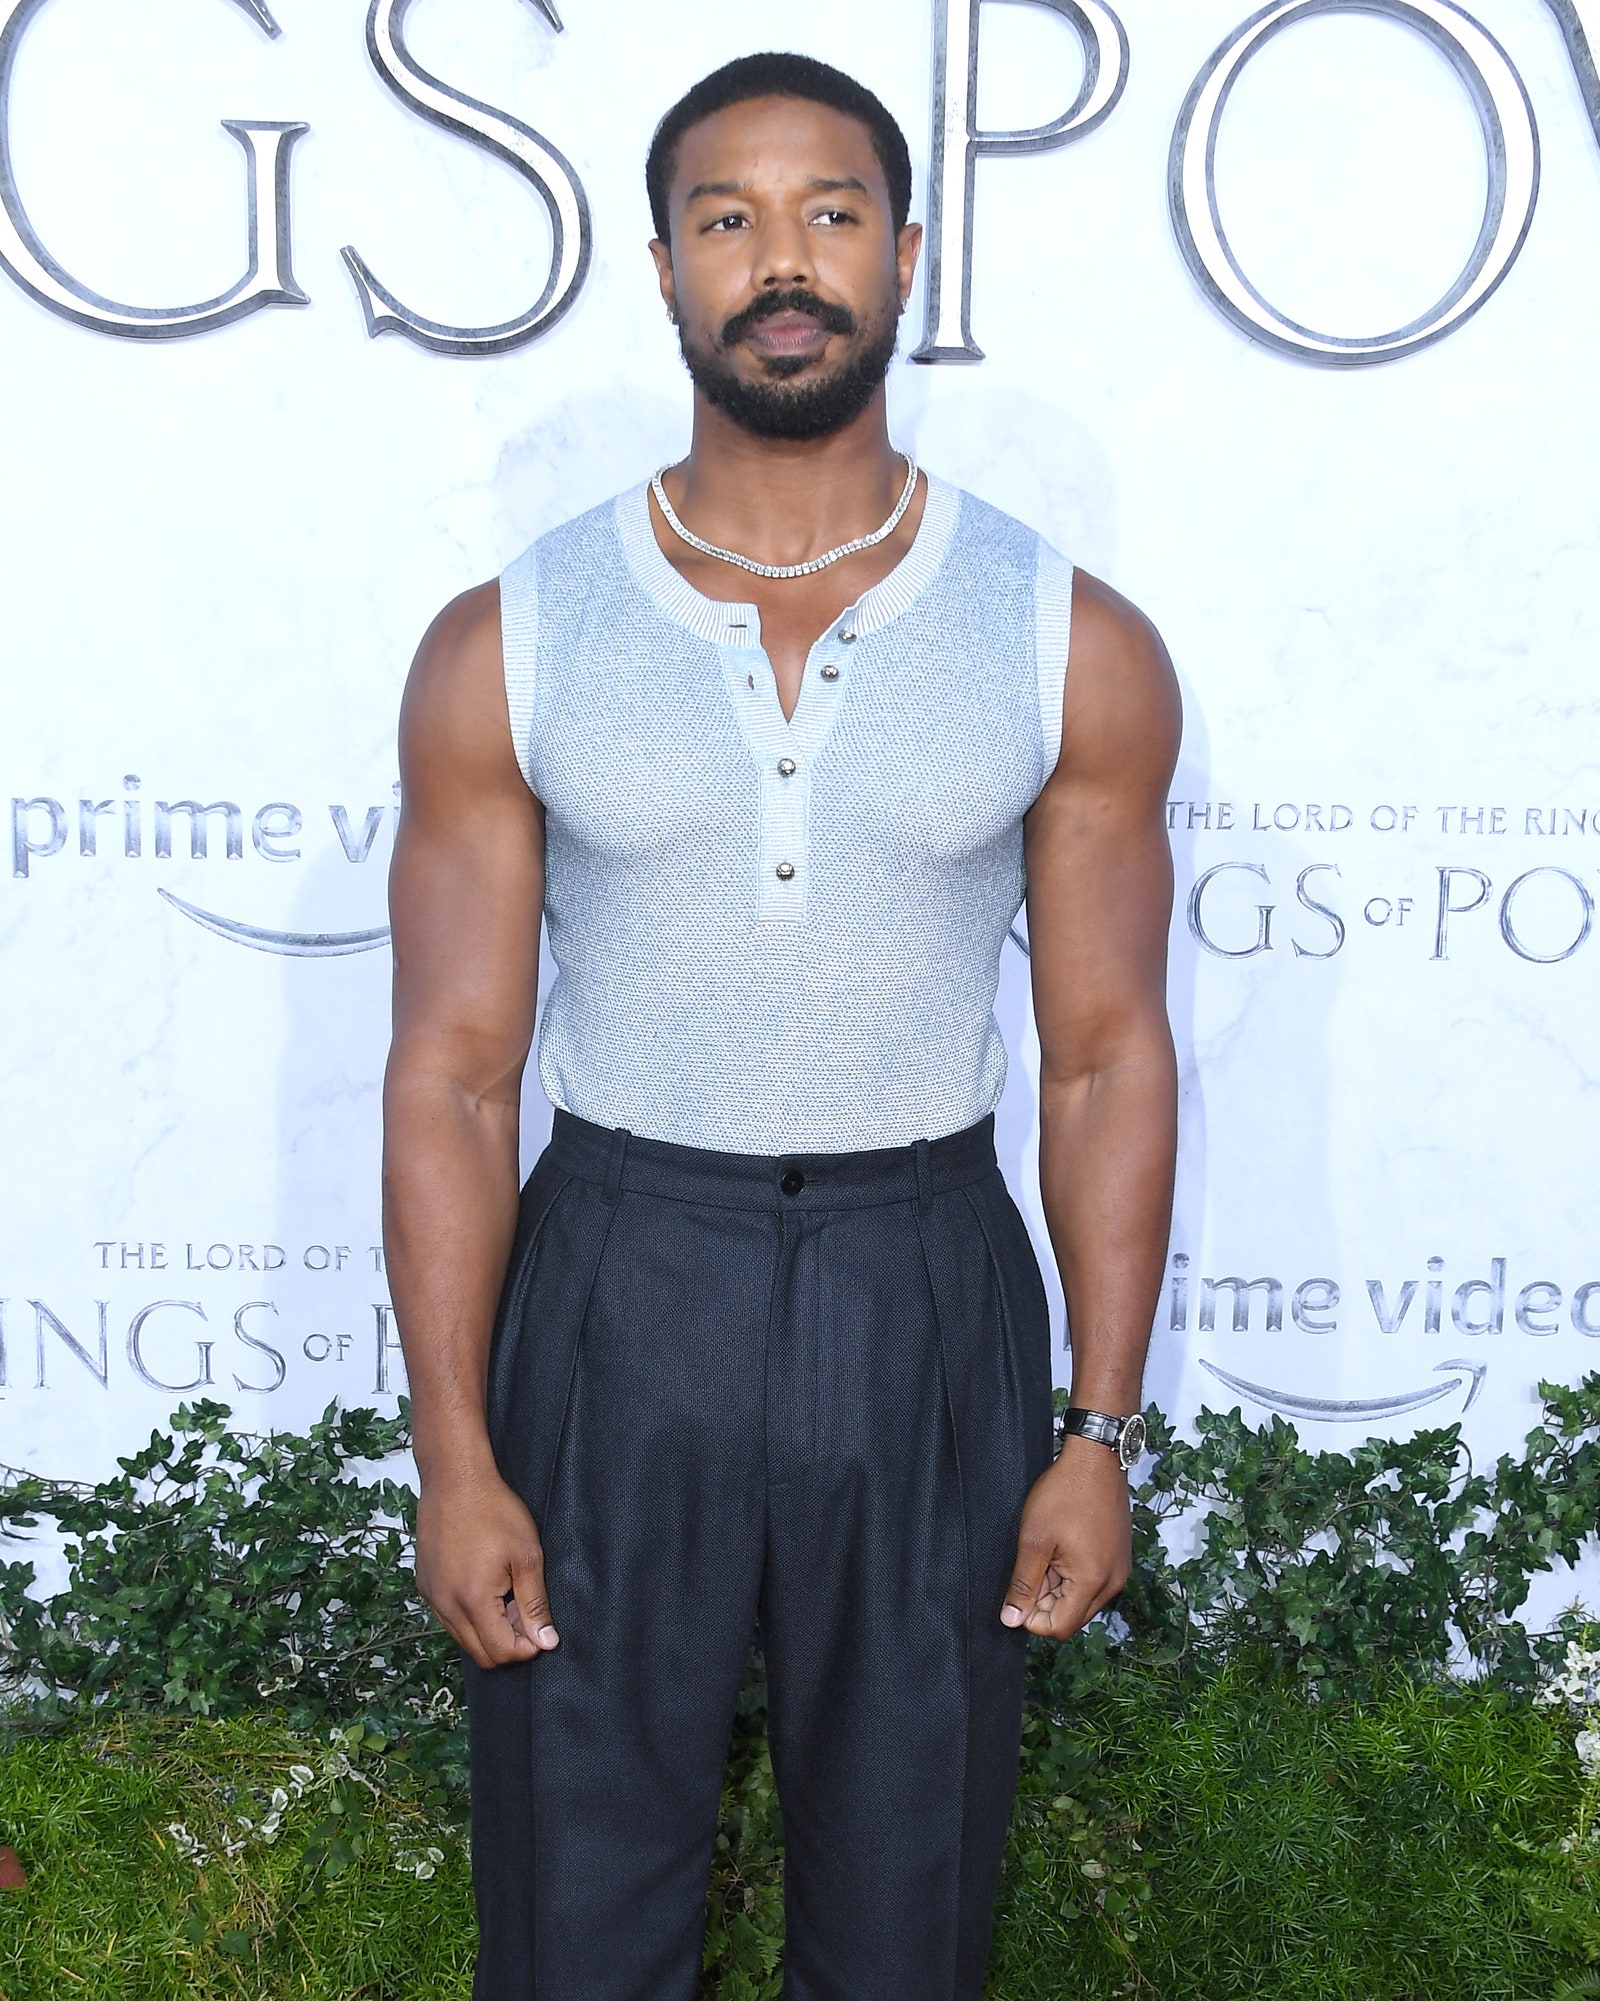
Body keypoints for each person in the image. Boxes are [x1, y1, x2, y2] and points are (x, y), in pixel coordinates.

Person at [382, 49, 1179, 2001]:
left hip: (922, 1290)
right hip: (618, 1281)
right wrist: (454, 1450)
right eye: (726, 220)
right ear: (662, 270)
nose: (780, 260)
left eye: (826, 212)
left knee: (906, 1913)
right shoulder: (514, 638)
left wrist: (1093, 1422)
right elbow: (453, 1074)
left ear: (906, 256)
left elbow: (1101, 1053)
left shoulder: (1067, 636)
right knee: (576, 1916)